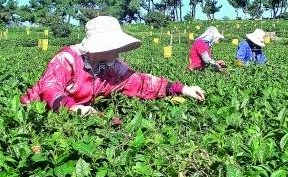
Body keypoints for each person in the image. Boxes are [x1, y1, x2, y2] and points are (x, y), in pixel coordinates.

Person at [21, 16, 205, 116]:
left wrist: (182, 89)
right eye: (114, 47)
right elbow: (50, 87)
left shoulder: (110, 67)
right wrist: (72, 107)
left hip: (75, 117)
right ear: (101, 46)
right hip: (36, 113)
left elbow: (141, 82)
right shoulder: (67, 59)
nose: (118, 53)